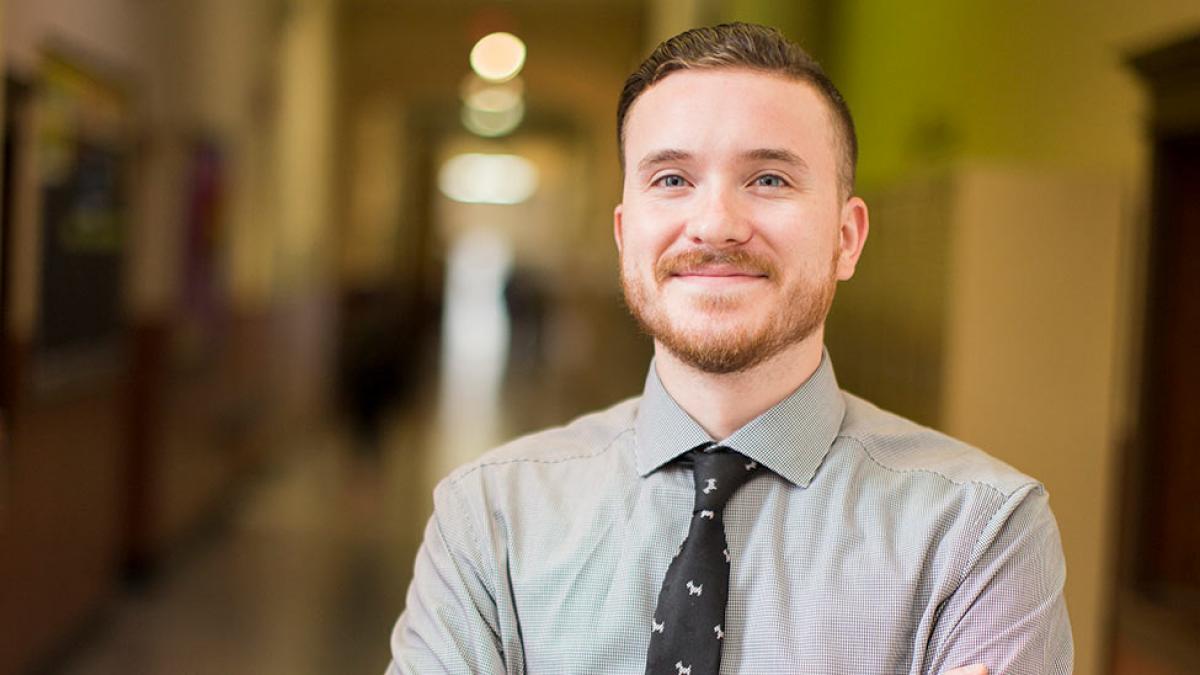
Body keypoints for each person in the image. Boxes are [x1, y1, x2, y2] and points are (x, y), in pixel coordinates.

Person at [387, 23, 1072, 675]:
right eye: (671, 179)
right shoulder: (489, 518)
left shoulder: (980, 535)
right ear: (626, 235)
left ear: (847, 237)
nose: (715, 223)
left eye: (769, 178)